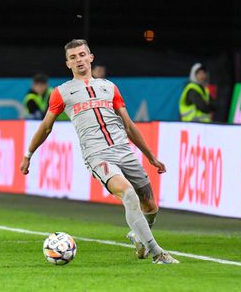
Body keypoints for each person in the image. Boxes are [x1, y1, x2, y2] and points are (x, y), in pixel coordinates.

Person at [20, 39, 179, 264]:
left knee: (150, 206)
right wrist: (28, 154)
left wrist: (151, 156)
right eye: (73, 57)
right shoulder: (62, 93)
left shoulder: (109, 87)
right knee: (128, 194)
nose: (79, 60)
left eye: (82, 55)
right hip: (98, 156)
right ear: (68, 64)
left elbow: (129, 125)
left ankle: (138, 235)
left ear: (90, 57)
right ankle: (157, 253)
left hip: (123, 150)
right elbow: (46, 126)